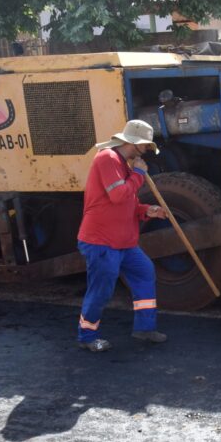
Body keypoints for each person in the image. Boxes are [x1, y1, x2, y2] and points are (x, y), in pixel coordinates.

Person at [76, 119, 169, 353]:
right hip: (102, 242)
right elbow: (118, 195)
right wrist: (138, 173)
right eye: (146, 147)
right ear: (134, 144)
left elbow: (127, 203)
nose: (147, 152)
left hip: (123, 242)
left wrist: (147, 210)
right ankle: (87, 336)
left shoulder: (123, 166)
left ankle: (144, 328)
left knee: (145, 272)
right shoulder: (106, 158)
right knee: (101, 290)